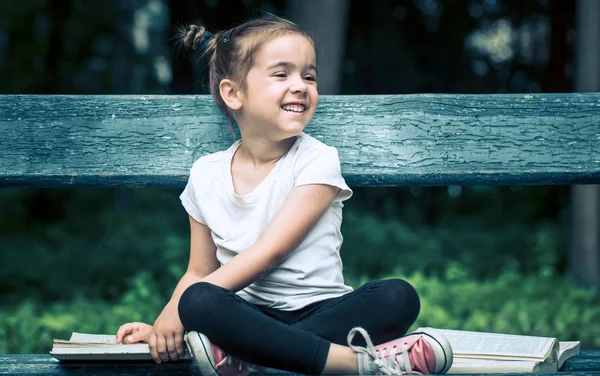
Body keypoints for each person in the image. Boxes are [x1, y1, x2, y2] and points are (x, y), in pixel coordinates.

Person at [116, 14, 453, 375]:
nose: (301, 85)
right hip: (247, 315)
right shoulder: (205, 173)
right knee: (198, 298)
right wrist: (167, 323)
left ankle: (249, 359)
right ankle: (353, 364)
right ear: (233, 93)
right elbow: (199, 271)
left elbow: (270, 251)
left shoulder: (317, 160)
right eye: (282, 74)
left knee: (397, 296)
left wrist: (181, 311)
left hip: (323, 309)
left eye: (309, 75)